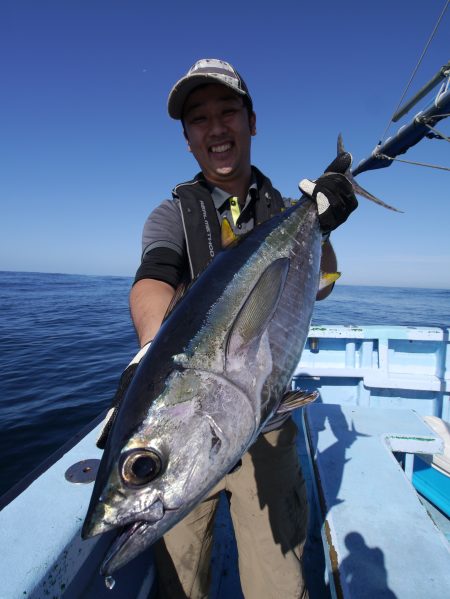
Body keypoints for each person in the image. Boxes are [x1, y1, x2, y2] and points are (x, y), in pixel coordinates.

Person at [128, 59, 357, 599]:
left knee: (279, 578)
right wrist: (149, 350)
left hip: (266, 423)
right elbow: (153, 279)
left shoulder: (283, 208)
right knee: (181, 577)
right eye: (199, 119)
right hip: (188, 427)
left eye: (227, 111)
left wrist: (320, 225)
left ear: (252, 122)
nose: (215, 128)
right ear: (187, 140)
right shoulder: (171, 216)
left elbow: (320, 284)